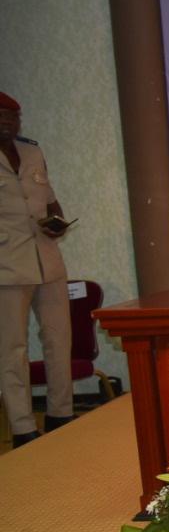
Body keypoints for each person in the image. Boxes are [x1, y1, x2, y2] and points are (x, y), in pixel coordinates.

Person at [0, 92, 74, 448]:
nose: (8, 122)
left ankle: (61, 414)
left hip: (47, 261)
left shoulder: (32, 152)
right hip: (6, 265)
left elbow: (50, 201)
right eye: (1, 116)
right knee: (12, 349)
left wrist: (56, 222)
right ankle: (23, 427)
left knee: (59, 339)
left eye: (13, 117)